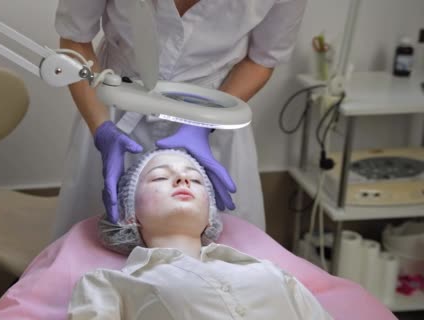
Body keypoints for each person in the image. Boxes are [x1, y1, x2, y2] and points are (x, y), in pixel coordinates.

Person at [53, 0, 308, 237]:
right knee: (96, 251)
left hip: (214, 117)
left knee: (221, 262)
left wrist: (205, 125)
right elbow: (75, 40)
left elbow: (261, 59)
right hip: (113, 110)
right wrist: (102, 129)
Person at [68, 149, 332, 319]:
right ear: (129, 214)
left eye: (195, 179)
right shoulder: (109, 285)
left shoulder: (271, 272)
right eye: (159, 177)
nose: (183, 180)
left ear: (210, 216)